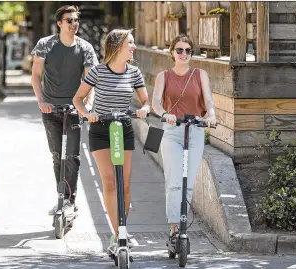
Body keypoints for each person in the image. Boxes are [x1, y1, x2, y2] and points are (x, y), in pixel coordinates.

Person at [73, 28, 150, 249]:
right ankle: (118, 234)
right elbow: (78, 98)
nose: (134, 47)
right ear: (117, 46)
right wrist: (87, 113)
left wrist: (144, 109)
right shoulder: (98, 72)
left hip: (123, 128)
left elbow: (145, 101)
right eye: (131, 43)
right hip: (100, 128)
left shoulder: (134, 73)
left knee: (125, 185)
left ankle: (120, 233)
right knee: (108, 181)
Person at [31, 5, 98, 219]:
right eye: (69, 20)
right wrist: (41, 101)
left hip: (73, 109)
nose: (74, 24)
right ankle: (61, 197)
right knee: (57, 156)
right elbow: (35, 75)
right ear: (59, 22)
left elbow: (90, 81)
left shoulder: (85, 47)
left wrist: (87, 106)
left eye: (76, 20)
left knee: (72, 156)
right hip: (50, 108)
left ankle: (69, 201)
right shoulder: (45, 45)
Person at [151, 34, 217, 244]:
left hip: (194, 131)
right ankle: (174, 228)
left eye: (188, 51)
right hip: (172, 131)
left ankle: (182, 224)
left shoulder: (200, 74)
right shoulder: (163, 76)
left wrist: (211, 115)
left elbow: (208, 100)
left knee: (188, 182)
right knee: (174, 181)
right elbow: (155, 104)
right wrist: (164, 114)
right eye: (179, 50)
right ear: (172, 52)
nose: (183, 54)